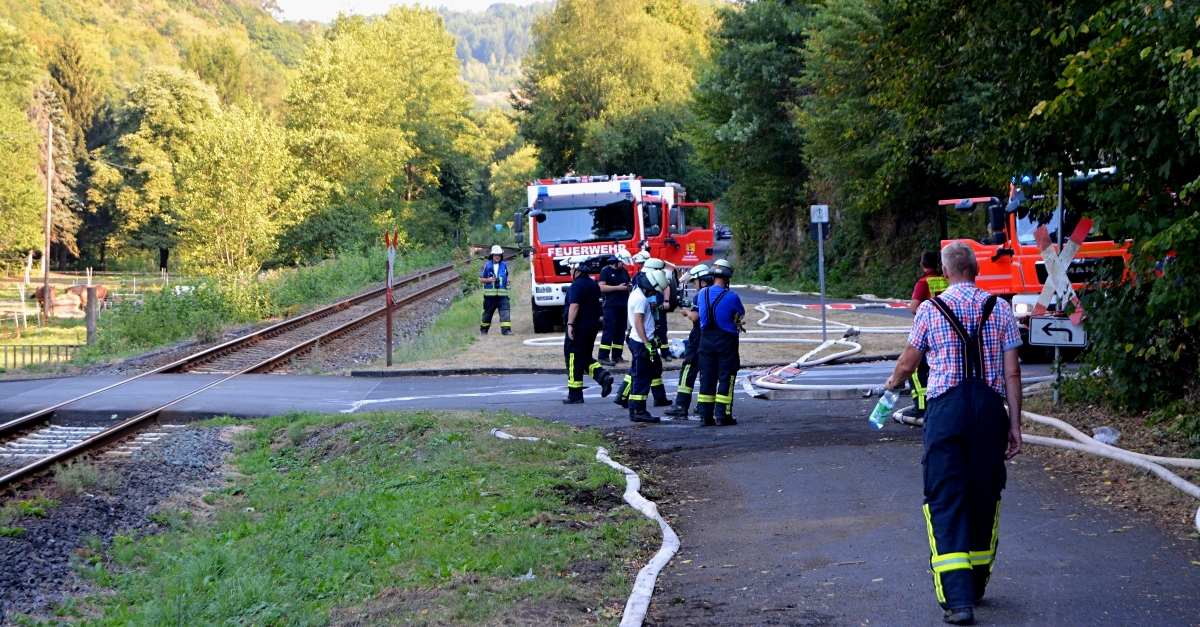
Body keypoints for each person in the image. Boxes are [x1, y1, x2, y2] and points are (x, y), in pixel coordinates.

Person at [882, 241, 1023, 625]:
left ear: (944, 274)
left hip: (947, 412)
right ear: (976, 270)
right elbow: (1012, 373)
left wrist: (891, 386)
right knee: (983, 493)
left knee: (946, 497)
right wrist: (1014, 426)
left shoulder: (930, 309)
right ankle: (976, 584)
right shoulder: (1002, 310)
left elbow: (909, 361)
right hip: (990, 411)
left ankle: (958, 601)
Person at [898, 250, 949, 424]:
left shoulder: (923, 282)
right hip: (946, 329)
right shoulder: (944, 279)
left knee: (917, 372)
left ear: (922, 265)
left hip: (928, 328)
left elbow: (914, 308)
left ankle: (920, 407)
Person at [693, 259, 744, 427]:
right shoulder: (732, 297)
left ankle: (705, 416)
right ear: (728, 278)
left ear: (712, 275)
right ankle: (723, 415)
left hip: (705, 339)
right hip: (726, 340)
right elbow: (740, 313)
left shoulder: (702, 294)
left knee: (707, 377)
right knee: (726, 376)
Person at [562, 257, 615, 404]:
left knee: (573, 358)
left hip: (578, 327)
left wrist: (570, 324)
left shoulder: (576, 285)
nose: (570, 271)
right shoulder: (593, 284)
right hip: (591, 327)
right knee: (584, 357)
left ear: (577, 270)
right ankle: (602, 377)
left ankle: (574, 395)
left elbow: (574, 306)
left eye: (571, 269)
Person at [664, 264, 712, 419]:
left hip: (699, 336)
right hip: (713, 337)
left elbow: (695, 317)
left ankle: (680, 405)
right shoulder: (719, 293)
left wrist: (686, 312)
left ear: (702, 281)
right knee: (707, 372)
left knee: (688, 369)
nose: (694, 285)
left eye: (695, 282)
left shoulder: (701, 295)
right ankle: (703, 406)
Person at [626, 269, 670, 423]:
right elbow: (638, 323)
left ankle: (635, 410)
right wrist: (647, 343)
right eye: (654, 289)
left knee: (641, 375)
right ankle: (639, 411)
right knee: (642, 378)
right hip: (641, 343)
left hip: (639, 341)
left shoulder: (637, 293)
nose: (654, 292)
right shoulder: (641, 300)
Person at [597, 250, 633, 366]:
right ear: (616, 261)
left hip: (623, 305)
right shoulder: (605, 271)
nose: (624, 265)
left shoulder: (624, 271)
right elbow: (601, 287)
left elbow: (628, 282)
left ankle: (617, 355)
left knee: (620, 332)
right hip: (610, 306)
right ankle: (603, 356)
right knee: (609, 331)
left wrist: (629, 287)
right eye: (622, 263)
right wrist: (617, 288)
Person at [479, 245, 512, 335]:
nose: (497, 257)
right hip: (490, 296)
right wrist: (488, 280)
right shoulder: (487, 266)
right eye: (495, 255)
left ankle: (506, 330)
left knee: (505, 312)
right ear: (492, 256)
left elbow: (507, 274)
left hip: (503, 295)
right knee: (488, 314)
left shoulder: (504, 265)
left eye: (499, 255)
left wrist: (508, 280)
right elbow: (481, 279)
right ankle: (484, 330)